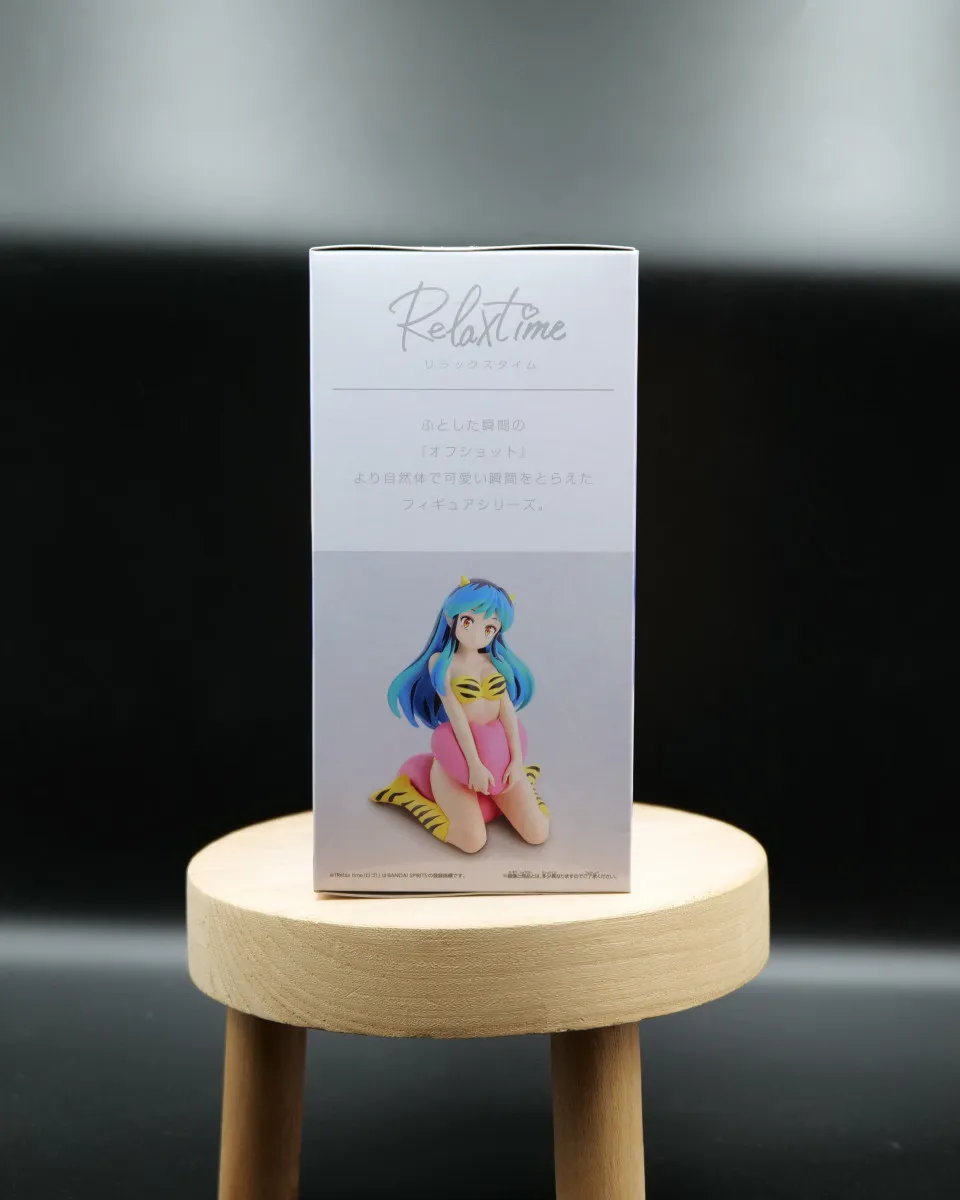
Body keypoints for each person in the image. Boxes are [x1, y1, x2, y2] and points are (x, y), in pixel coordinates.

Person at [371, 576, 549, 853]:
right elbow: (458, 720)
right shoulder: (442, 663)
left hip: (499, 759)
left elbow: (508, 716)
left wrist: (516, 761)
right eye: (468, 621)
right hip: (459, 761)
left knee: (538, 833)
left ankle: (512, 792)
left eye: (489, 628)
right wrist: (474, 766)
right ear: (450, 617)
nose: (478, 634)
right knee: (472, 841)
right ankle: (409, 796)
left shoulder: (495, 662)